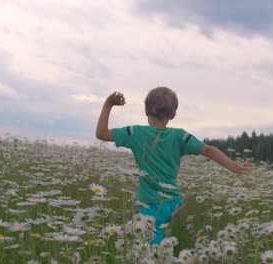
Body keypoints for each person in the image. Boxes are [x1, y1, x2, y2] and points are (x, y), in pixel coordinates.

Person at [96, 87, 253, 244]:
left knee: (148, 251)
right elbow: (209, 150)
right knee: (171, 245)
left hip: (150, 205)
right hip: (175, 202)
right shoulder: (180, 136)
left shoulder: (135, 133)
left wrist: (109, 104)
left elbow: (101, 133)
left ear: (146, 110)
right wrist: (235, 167)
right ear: (173, 114)